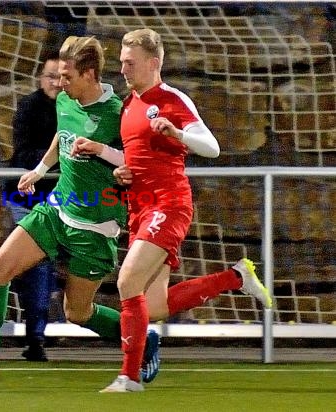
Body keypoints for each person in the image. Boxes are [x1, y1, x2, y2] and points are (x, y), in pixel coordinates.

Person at [70, 28, 273, 392]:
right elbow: (136, 160)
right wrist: (108, 156)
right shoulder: (130, 105)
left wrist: (177, 134)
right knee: (155, 305)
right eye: (121, 63)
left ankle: (129, 377)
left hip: (168, 204)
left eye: (130, 63)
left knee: (127, 281)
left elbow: (211, 147)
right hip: (140, 207)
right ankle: (236, 277)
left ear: (153, 63)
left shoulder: (170, 99)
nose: (124, 70)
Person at [0, 35, 140, 378]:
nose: (59, 84)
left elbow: (137, 163)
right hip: (56, 209)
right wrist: (39, 170)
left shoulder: (118, 112)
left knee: (77, 313)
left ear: (90, 74)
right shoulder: (65, 99)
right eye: (58, 76)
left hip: (94, 225)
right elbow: (61, 134)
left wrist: (101, 151)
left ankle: (143, 338)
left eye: (67, 76)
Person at [6, 52, 63, 362]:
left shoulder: (78, 108)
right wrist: (63, 156)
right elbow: (24, 153)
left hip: (69, 200)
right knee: (35, 266)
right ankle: (35, 337)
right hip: (29, 198)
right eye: (50, 76)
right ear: (41, 79)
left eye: (61, 77)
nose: (55, 83)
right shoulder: (29, 107)